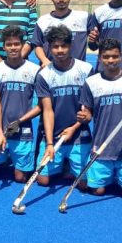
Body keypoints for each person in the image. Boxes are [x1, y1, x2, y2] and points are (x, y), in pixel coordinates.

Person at [78, 38, 122, 200]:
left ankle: (120, 175)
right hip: (101, 148)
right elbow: (88, 113)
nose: (111, 60)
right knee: (97, 192)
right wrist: (85, 117)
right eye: (106, 57)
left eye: (114, 56)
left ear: (121, 56)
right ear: (99, 58)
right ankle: (110, 174)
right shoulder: (91, 82)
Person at [34, 25, 93, 186]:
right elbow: (47, 111)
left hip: (79, 134)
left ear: (70, 45)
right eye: (55, 46)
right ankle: (63, 164)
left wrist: (74, 128)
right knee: (43, 180)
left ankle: (68, 164)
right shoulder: (44, 75)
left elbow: (89, 109)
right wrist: (50, 143)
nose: (60, 50)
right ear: (49, 48)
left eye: (64, 46)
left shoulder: (86, 70)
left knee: (85, 185)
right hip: (55, 136)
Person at [0, 25, 41, 182]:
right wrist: (0, 133)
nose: (13, 48)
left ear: (22, 45)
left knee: (20, 178)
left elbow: (41, 106)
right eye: (9, 44)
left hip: (23, 131)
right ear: (3, 46)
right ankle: (6, 156)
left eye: (16, 44)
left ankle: (12, 156)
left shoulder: (34, 70)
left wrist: (20, 121)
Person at [32, 0, 90, 67]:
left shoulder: (84, 17)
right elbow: (37, 45)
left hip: (77, 74)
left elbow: (95, 41)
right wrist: (44, 60)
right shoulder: (42, 21)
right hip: (52, 73)